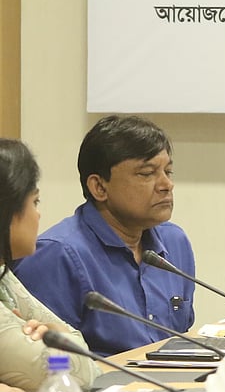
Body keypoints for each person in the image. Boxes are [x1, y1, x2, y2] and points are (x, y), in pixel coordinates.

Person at [16, 116, 195, 355]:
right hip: (98, 379)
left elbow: (181, 337)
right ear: (99, 187)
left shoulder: (175, 242)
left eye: (168, 172)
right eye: (147, 173)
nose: (166, 185)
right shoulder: (56, 254)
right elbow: (46, 358)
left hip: (172, 377)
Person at [0, 139, 97, 392]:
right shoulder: (59, 249)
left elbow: (79, 350)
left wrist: (56, 333)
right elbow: (75, 373)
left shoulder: (3, 275)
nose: (38, 215)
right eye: (35, 202)